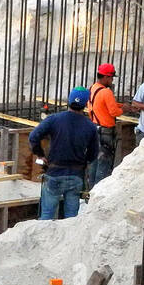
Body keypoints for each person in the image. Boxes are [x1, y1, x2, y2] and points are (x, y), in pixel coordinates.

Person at [28, 87, 98, 220]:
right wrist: (83, 162)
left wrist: (40, 155)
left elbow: (33, 137)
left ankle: (43, 240)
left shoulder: (54, 119)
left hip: (54, 173)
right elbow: (93, 154)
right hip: (76, 176)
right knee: (71, 220)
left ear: (69, 100)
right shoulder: (90, 126)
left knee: (46, 217)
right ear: (85, 104)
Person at [87, 62, 126, 187]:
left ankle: (90, 190)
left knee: (94, 162)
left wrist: (121, 105)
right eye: (111, 77)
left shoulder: (93, 88)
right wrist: (124, 109)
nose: (112, 80)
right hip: (105, 132)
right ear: (106, 77)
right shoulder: (106, 92)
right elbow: (114, 111)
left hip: (94, 128)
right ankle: (99, 191)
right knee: (104, 163)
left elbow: (103, 104)